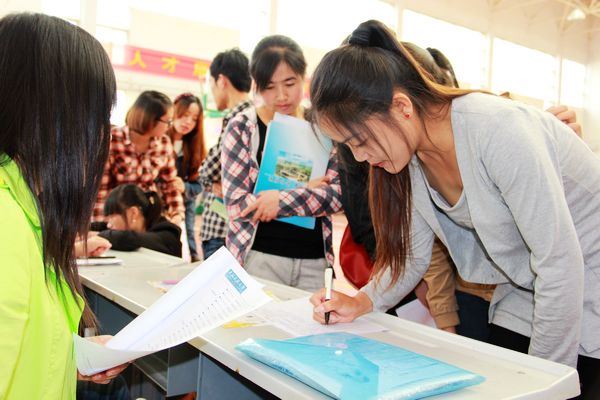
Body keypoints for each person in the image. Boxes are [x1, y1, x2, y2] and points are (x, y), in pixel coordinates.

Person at [309, 20, 600, 398]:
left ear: (401, 106)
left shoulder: (498, 130)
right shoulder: (414, 157)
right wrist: (361, 301)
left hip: (584, 287)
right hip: (525, 292)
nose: (361, 157)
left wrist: (546, 386)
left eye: (360, 140)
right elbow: (411, 257)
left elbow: (560, 264)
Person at [0, 12, 128, 399]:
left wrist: (76, 359)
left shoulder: (25, 213)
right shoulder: (7, 225)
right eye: (100, 117)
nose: (104, 136)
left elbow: (22, 349)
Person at [221, 35, 342, 291]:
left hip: (315, 262)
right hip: (259, 259)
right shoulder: (243, 127)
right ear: (257, 85)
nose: (281, 96)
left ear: (303, 78)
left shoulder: (323, 127)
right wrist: (307, 191)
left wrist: (276, 200)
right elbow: (236, 204)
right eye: (269, 86)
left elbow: (336, 195)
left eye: (290, 83)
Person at [92, 91, 184, 225]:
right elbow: (100, 192)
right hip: (117, 218)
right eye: (168, 121)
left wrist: (177, 214)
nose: (170, 126)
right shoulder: (112, 140)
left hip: (149, 218)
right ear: (150, 119)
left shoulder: (164, 143)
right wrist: (106, 226)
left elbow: (170, 183)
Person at [198, 48, 252, 260]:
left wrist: (210, 179)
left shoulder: (238, 118)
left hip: (222, 231)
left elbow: (206, 171)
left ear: (221, 81)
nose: (212, 91)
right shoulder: (258, 117)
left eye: (211, 84)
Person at [167, 93, 206, 261]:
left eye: (194, 118)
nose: (188, 122)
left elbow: (199, 185)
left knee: (187, 239)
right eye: (184, 115)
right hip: (158, 206)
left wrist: (185, 187)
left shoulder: (196, 149)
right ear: (174, 112)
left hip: (184, 206)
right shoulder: (160, 141)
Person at [93, 184, 182, 257]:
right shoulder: (145, 227)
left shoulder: (167, 234)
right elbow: (103, 226)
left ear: (133, 213)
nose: (109, 225)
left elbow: (125, 238)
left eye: (112, 217)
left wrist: (97, 236)